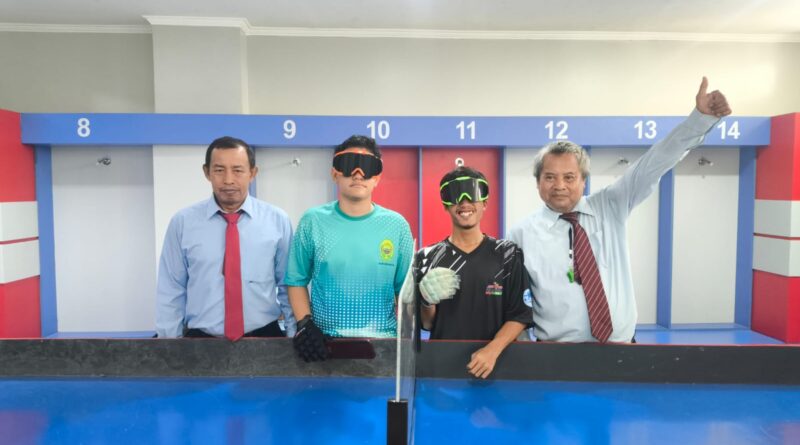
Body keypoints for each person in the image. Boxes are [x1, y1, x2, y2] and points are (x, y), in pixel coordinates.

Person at [508, 77, 732, 343]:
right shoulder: (520, 234)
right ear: (537, 182)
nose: (559, 186)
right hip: (555, 355)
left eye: (569, 177)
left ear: (583, 180)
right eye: (549, 177)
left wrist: (699, 121)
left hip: (622, 349)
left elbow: (655, 162)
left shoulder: (611, 205)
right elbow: (515, 304)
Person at [286, 135, 414, 361]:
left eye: (367, 167)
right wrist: (305, 324)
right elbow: (296, 280)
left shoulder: (397, 226)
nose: (358, 174)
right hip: (325, 346)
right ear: (334, 173)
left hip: (383, 347)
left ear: (377, 177)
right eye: (348, 165)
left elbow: (404, 292)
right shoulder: (312, 221)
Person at [156, 136, 295, 340]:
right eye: (219, 170)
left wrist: (294, 337)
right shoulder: (183, 223)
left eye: (238, 170)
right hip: (200, 341)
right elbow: (171, 288)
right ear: (207, 172)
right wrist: (169, 345)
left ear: (252, 173)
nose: (228, 180)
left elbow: (289, 285)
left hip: (265, 337)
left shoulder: (277, 220)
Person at [415, 166, 532, 379]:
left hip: (496, 367)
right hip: (442, 368)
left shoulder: (507, 254)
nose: (464, 202)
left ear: (485, 203)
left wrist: (492, 350)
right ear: (446, 205)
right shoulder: (426, 258)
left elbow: (520, 314)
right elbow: (427, 323)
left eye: (472, 194)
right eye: (456, 195)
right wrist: (426, 301)